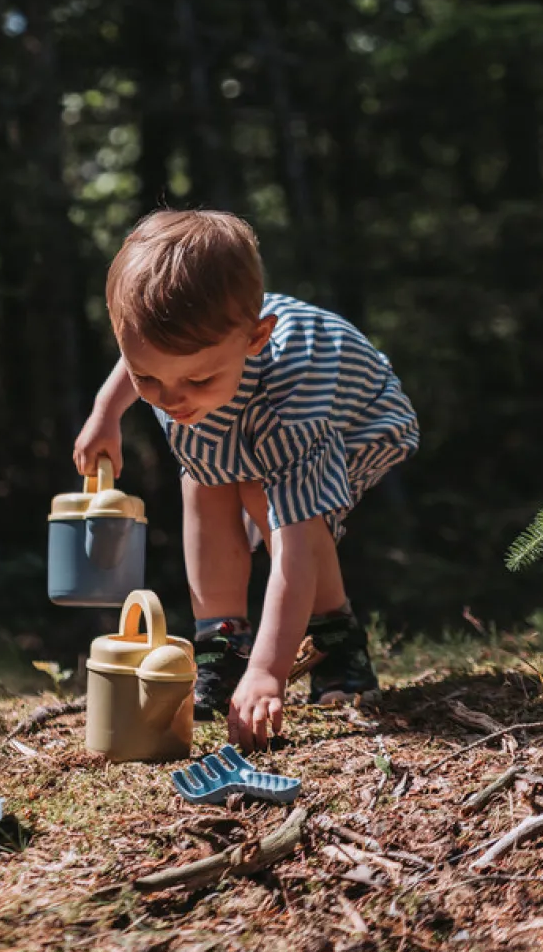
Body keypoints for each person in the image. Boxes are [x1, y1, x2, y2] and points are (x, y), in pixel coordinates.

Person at [73, 209, 419, 750]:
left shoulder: (290, 411)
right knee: (203, 480)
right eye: (148, 378)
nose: (171, 399)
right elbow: (139, 352)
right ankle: (222, 642)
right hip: (236, 410)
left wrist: (268, 672)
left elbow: (296, 549)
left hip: (355, 420)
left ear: (254, 338)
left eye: (195, 378)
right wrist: (106, 412)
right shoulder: (183, 372)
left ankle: (335, 639)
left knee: (270, 498)